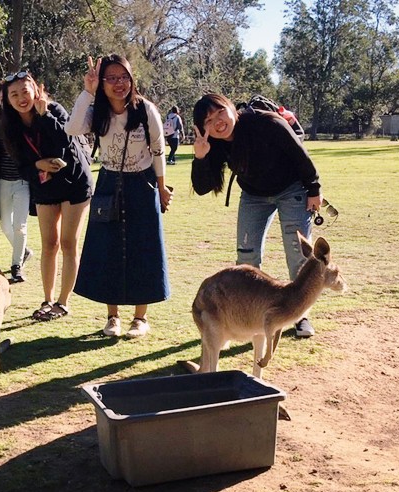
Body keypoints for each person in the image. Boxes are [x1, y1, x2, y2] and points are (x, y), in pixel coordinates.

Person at [190, 93, 323, 338]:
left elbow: (299, 154)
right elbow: (202, 187)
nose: (218, 121)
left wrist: (314, 189)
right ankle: (250, 316)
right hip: (254, 196)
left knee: (298, 254)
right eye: (208, 121)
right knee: (246, 256)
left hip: (291, 188)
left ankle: (301, 317)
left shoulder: (266, 123)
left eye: (220, 112)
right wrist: (200, 157)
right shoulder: (215, 144)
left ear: (231, 107)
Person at [67, 54, 172, 338]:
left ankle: (140, 318)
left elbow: (158, 149)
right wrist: (87, 91)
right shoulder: (96, 111)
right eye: (111, 78)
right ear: (102, 83)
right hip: (109, 182)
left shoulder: (145, 110)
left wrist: (161, 187)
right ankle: (112, 317)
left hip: (142, 183)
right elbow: (72, 128)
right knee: (108, 248)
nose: (118, 83)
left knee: (143, 247)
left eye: (123, 77)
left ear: (131, 78)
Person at [0, 71, 93, 320]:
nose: (21, 98)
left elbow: (65, 140)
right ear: (7, 100)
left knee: (68, 243)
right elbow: (21, 165)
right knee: (49, 243)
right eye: (14, 94)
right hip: (45, 185)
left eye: (25, 91)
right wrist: (39, 165)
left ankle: (62, 302)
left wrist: (44, 115)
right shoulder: (10, 126)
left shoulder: (54, 110)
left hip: (74, 182)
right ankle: (47, 299)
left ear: (35, 90)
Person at [0, 85, 33, 283]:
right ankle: (24, 251)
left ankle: (16, 266)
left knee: (20, 226)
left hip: (23, 182)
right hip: (3, 181)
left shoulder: (23, 119)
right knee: (5, 225)